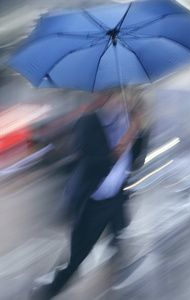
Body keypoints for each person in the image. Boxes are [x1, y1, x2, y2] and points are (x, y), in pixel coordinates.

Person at [29, 89, 149, 300]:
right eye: (120, 99)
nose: (124, 104)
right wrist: (125, 140)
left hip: (116, 199)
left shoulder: (132, 125)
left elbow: (137, 162)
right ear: (108, 99)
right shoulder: (89, 122)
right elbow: (92, 162)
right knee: (78, 256)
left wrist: (140, 132)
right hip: (93, 201)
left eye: (129, 100)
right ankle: (48, 292)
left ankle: (118, 270)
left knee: (119, 237)